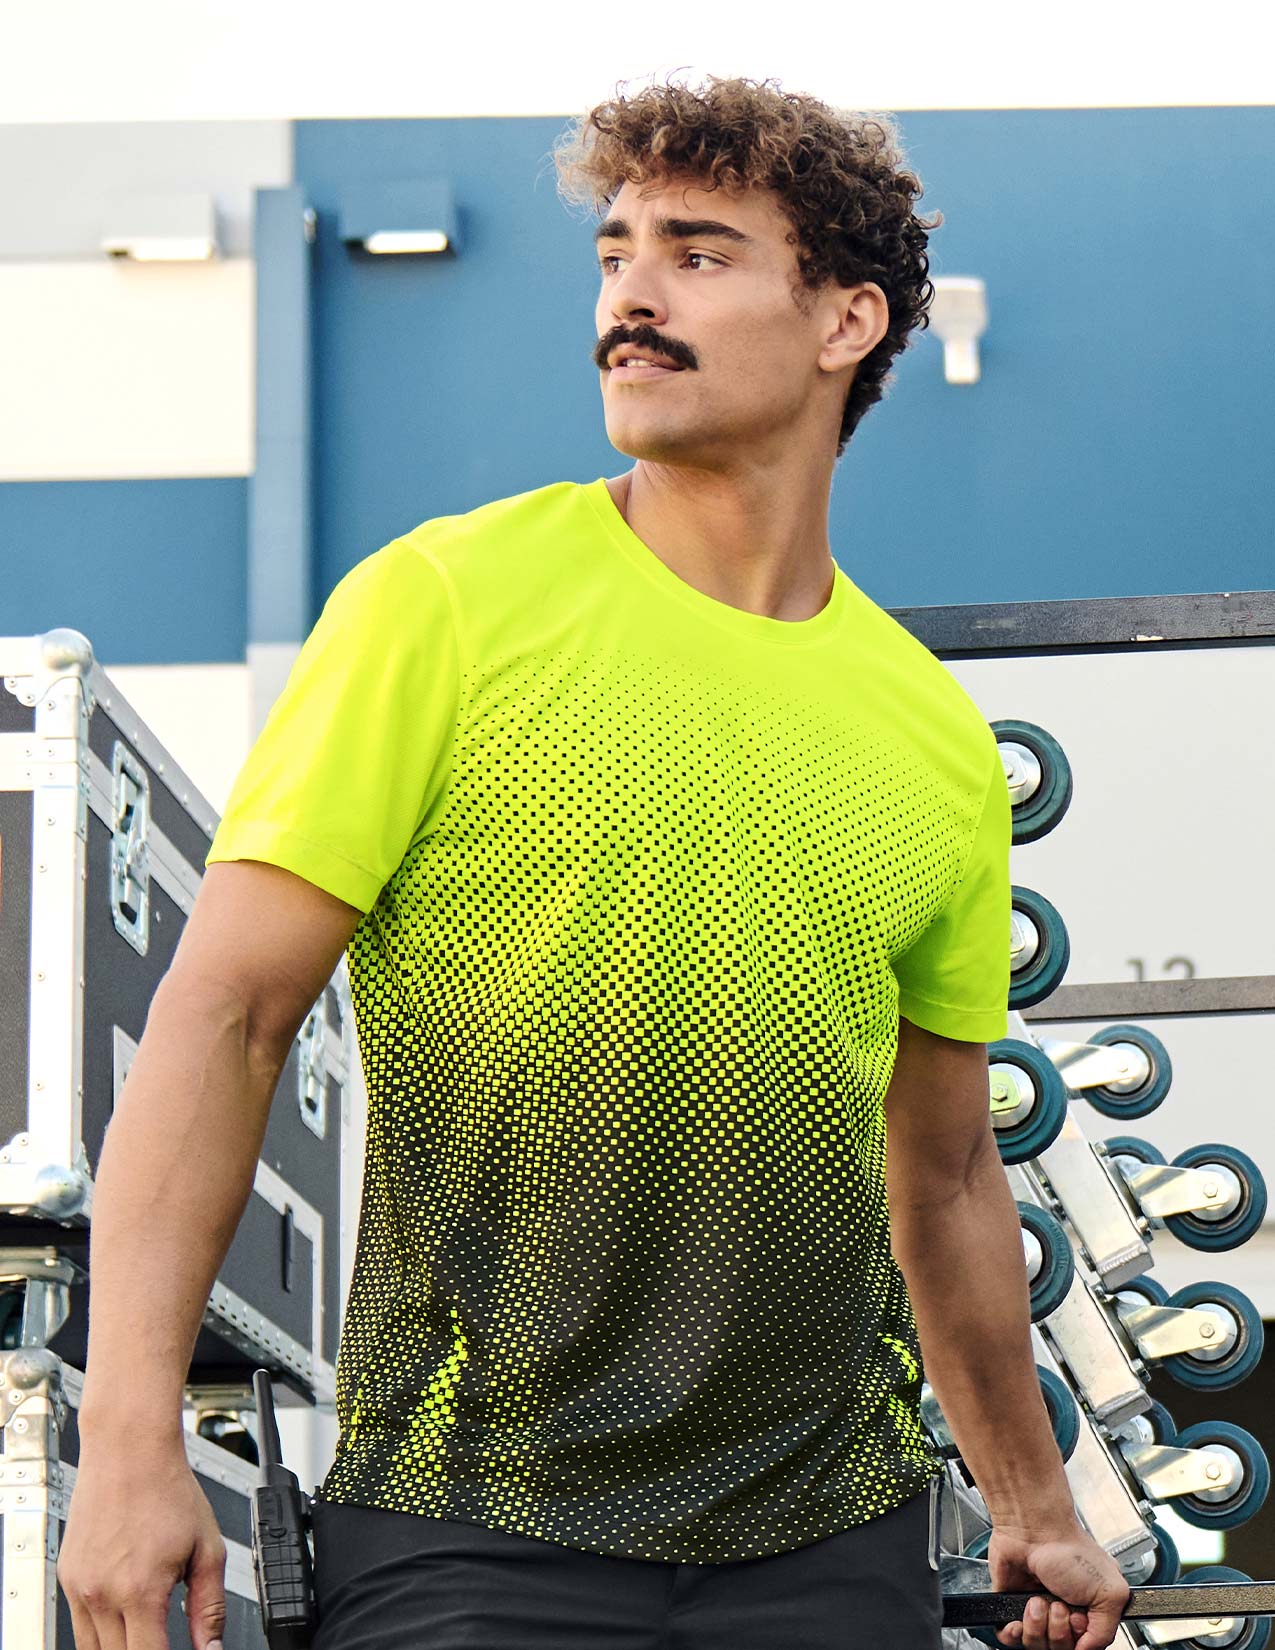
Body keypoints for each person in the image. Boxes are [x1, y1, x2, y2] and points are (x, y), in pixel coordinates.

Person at [58, 73, 1131, 1650]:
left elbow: (950, 1169)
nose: (630, 293)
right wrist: (129, 1431)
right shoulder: (444, 603)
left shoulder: (934, 740)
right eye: (617, 251)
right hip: (472, 1524)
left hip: (826, 1544)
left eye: (698, 252)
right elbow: (224, 1016)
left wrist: (1035, 1504)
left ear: (847, 322)